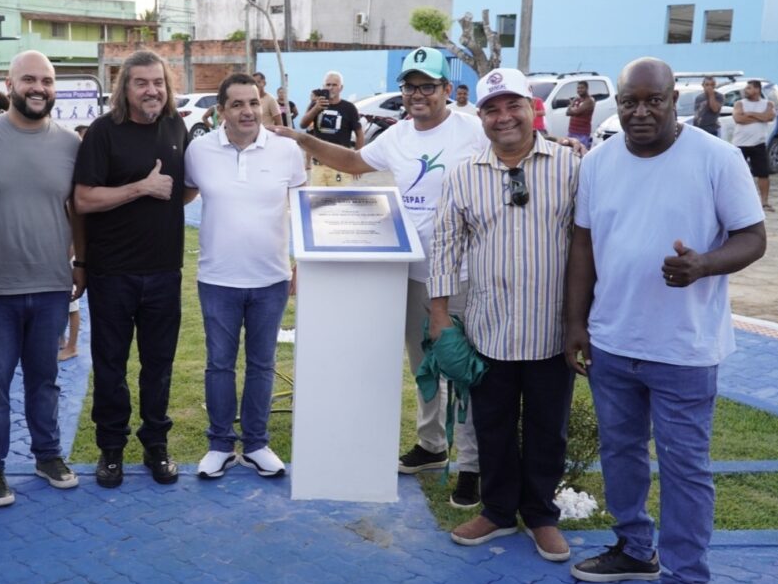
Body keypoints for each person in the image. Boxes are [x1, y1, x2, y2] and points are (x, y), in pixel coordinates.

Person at [565, 57, 767, 584]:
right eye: (629, 101)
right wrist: (575, 323)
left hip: (684, 348)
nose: (640, 112)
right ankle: (634, 548)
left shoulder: (718, 158)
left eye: (652, 100)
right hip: (612, 342)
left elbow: (753, 238)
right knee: (621, 454)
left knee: (684, 469)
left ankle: (686, 579)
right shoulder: (598, 163)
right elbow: (583, 246)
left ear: (674, 98)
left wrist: (703, 264)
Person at [272, 47, 489, 507]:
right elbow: (354, 163)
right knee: (423, 365)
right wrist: (304, 140)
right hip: (411, 272)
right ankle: (432, 445)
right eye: (410, 86)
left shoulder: (471, 128)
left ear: (446, 91)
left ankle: (471, 466)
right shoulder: (398, 136)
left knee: (463, 370)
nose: (417, 95)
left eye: (427, 86)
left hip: (465, 272)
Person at [429, 68, 580, 562]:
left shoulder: (570, 167)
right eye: (492, 109)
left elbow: (590, 244)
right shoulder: (463, 174)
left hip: (551, 332)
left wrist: (583, 319)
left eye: (513, 105)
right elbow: (447, 247)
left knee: (547, 429)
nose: (503, 116)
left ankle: (539, 515)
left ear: (532, 109)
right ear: (482, 117)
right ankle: (496, 511)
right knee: (490, 425)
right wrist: (439, 316)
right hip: (489, 330)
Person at [0, 51, 85, 505]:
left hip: (51, 284)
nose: (39, 88)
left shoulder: (70, 143)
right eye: (29, 79)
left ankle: (47, 454)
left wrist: (81, 262)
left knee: (45, 378)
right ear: (9, 85)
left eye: (47, 81)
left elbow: (78, 209)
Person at [74, 49, 188, 488]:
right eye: (141, 82)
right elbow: (83, 199)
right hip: (113, 273)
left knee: (159, 365)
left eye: (157, 82)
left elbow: (183, 191)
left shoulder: (176, 127)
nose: (151, 90)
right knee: (111, 366)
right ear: (125, 87)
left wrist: (160, 194)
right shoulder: (104, 132)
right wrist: (141, 188)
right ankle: (111, 449)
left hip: (164, 272)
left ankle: (156, 446)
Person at [186, 73, 306, 480]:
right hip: (217, 278)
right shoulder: (198, 150)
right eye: (236, 104)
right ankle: (220, 444)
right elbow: (181, 196)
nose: (247, 111)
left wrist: (300, 263)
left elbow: (302, 208)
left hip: (270, 278)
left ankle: (255, 443)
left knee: (262, 363)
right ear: (221, 111)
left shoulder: (287, 151)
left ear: (263, 103)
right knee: (219, 364)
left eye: (253, 102)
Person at [300, 70, 363, 186]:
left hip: (340, 166)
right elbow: (303, 125)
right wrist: (316, 108)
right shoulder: (316, 105)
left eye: (334, 85)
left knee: (340, 202)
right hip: (318, 165)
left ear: (341, 88)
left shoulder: (349, 108)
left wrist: (357, 162)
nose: (331, 88)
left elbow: (360, 134)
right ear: (323, 86)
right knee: (317, 202)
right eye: (328, 85)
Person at [731, 79, 776, 212]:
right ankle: (736, 202)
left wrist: (750, 114)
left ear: (757, 89)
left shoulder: (767, 103)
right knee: (736, 174)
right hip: (740, 144)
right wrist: (760, 117)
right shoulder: (740, 103)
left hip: (758, 143)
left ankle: (764, 202)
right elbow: (739, 119)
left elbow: (769, 117)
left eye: (749, 88)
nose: (746, 90)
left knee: (763, 174)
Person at [566, 81, 595, 149]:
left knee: (581, 154)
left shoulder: (590, 101)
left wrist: (571, 108)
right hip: (571, 132)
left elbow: (576, 112)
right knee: (570, 153)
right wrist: (572, 108)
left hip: (582, 134)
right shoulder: (577, 99)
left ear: (587, 88)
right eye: (578, 88)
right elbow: (567, 113)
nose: (579, 90)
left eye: (582, 88)